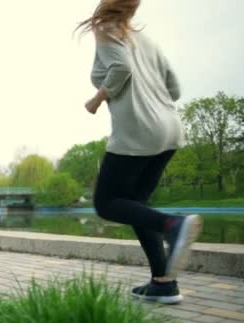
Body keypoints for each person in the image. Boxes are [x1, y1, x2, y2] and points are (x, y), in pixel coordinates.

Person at [76, 0, 203, 304]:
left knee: (106, 203)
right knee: (136, 206)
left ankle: (174, 224)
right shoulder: (148, 41)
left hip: (139, 131)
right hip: (170, 129)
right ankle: (163, 283)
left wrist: (96, 100)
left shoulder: (105, 29)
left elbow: (121, 68)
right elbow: (174, 89)